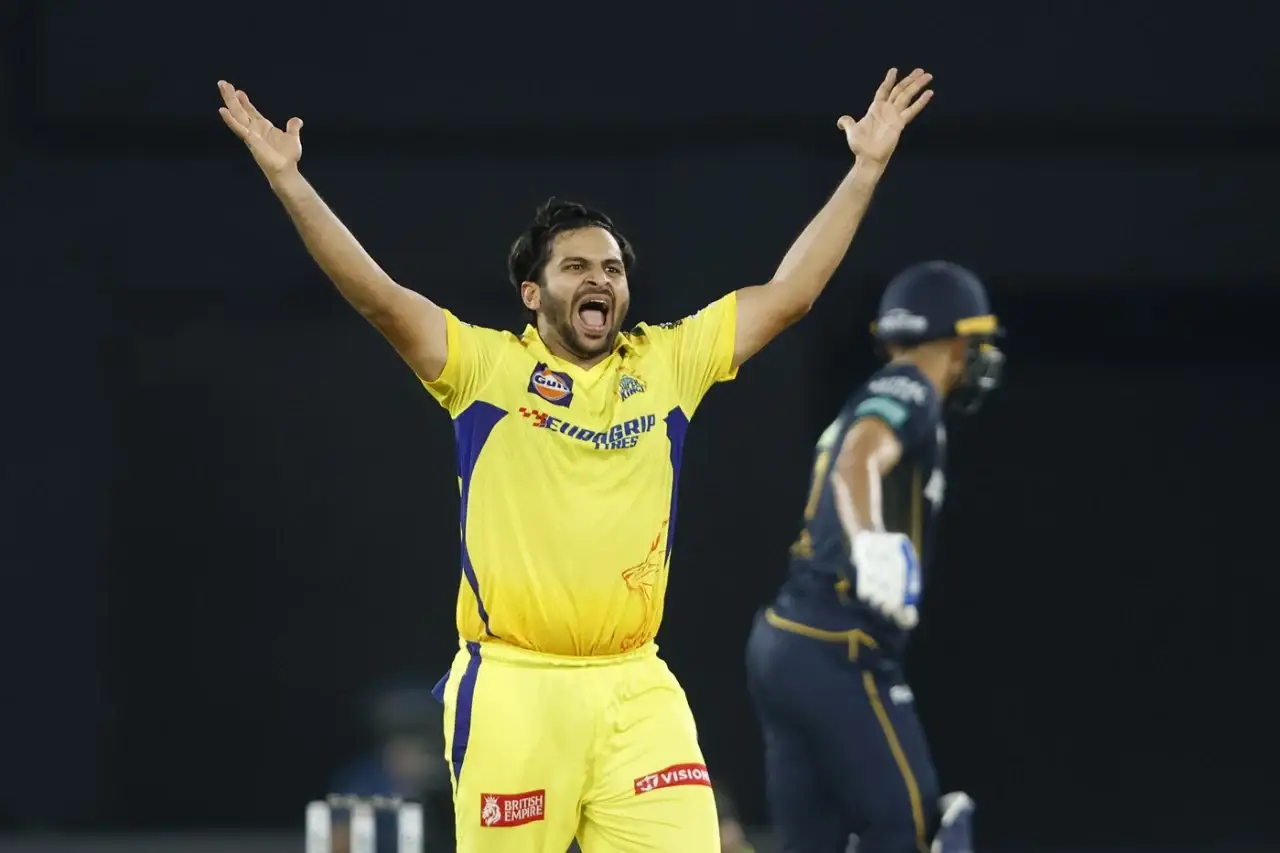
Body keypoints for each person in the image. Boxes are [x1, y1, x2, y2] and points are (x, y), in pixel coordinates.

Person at [215, 67, 933, 853]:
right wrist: (290, 182)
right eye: (578, 267)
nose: (601, 279)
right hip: (516, 687)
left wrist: (864, 169)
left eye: (614, 268)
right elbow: (378, 296)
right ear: (533, 293)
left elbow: (789, 292)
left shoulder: (666, 363)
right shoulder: (483, 369)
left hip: (636, 683)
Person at [745, 262, 1004, 853]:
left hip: (785, 642)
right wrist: (869, 542)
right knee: (919, 833)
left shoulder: (882, 392)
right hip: (840, 645)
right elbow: (857, 460)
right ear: (956, 338)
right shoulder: (909, 385)